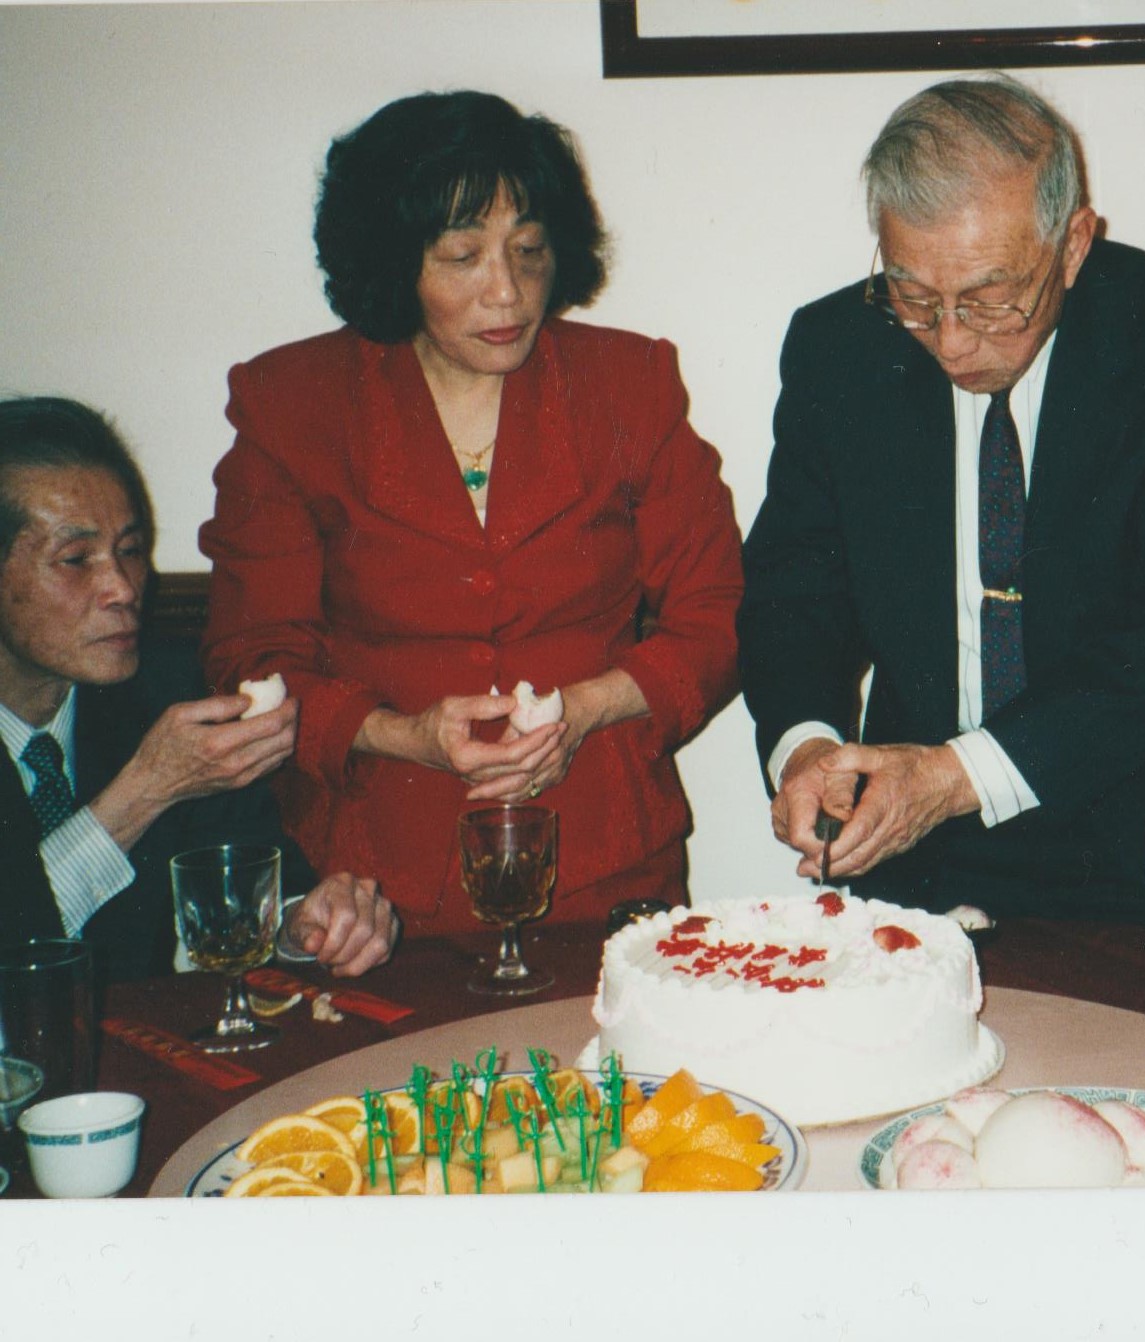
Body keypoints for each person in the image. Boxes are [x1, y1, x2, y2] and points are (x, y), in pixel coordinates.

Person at [738, 75, 1145, 932]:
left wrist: (955, 777)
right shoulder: (837, 350)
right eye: (912, 296)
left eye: (989, 299)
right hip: (923, 851)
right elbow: (794, 589)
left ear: (1072, 245)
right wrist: (809, 750)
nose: (950, 340)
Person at [200, 91, 743, 935]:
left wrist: (584, 710)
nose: (508, 293)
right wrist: (402, 734)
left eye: (529, 250)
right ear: (392, 263)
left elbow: (717, 617)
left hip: (606, 854)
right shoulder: (291, 404)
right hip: (374, 883)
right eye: (461, 256)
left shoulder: (628, 385)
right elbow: (253, 657)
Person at [0, 396, 398, 981]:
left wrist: (303, 925)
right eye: (76, 559)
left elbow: (249, 880)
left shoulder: (166, 690)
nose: (123, 588)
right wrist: (144, 791)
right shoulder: (165, 752)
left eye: (130, 551)